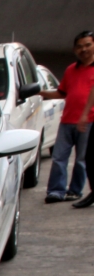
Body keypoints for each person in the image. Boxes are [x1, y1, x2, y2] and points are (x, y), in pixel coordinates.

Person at [41, 31, 94, 203]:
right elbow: (61, 92)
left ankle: (75, 190)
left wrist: (85, 115)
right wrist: (40, 92)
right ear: (74, 49)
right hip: (67, 120)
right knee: (58, 157)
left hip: (89, 121)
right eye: (79, 46)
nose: (83, 49)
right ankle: (55, 191)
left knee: (82, 159)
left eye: (87, 45)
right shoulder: (71, 70)